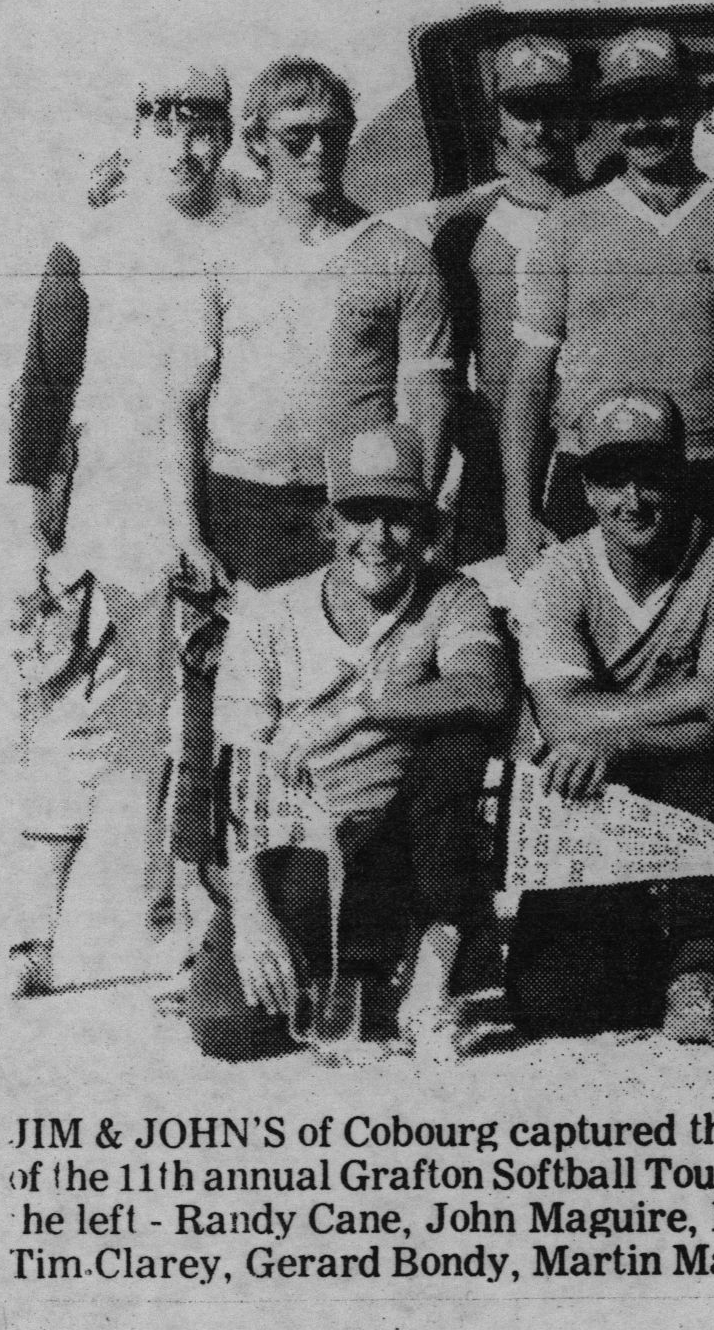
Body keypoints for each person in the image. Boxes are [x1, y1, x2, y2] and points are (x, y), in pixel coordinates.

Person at [11, 64, 243, 997]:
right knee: (79, 717)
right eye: (166, 128)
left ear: (224, 137)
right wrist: (33, 538)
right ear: (138, 136)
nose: (186, 149)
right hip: (108, 519)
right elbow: (41, 393)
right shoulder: (88, 244)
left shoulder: (243, 233)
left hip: (215, 511)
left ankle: (181, 921)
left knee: (200, 725)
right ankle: (34, 935)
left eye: (203, 129)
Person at [183, 425, 512, 1061]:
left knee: (460, 737)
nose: (379, 538)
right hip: (297, 841)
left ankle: (434, 950)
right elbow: (238, 775)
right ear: (330, 522)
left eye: (398, 516)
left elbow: (486, 688)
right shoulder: (270, 615)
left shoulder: (452, 595)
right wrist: (250, 916)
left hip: (399, 842)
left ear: (427, 524)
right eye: (360, 515)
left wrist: (360, 711)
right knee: (225, 1021)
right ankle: (369, 972)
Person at [506, 389, 714, 1043]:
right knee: (554, 1005)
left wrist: (623, 734)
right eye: (611, 480)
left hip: (691, 782)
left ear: (680, 474)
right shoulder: (559, 572)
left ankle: (697, 965)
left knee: (704, 762)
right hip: (588, 787)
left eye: (650, 476)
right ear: (587, 488)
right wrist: (691, 691)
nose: (632, 500)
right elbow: (562, 717)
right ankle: (645, 938)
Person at [504, 27, 714, 577]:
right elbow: (529, 378)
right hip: (594, 474)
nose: (645, 125)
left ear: (695, 105)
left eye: (661, 105)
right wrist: (520, 510)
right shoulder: (566, 224)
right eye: (627, 109)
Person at [168, 58, 457, 593]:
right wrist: (187, 533)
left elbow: (429, 400)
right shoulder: (222, 253)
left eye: (334, 132)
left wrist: (420, 515)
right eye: (299, 136)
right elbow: (183, 404)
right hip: (240, 503)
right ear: (258, 143)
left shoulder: (402, 257)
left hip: (356, 505)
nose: (320, 150)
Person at [414, 34, 592, 566]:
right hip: (495, 464)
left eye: (555, 111)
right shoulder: (466, 224)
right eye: (523, 112)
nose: (540, 129)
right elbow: (443, 367)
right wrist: (485, 449)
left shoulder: (609, 213)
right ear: (499, 121)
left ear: (579, 118)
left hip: (591, 455)